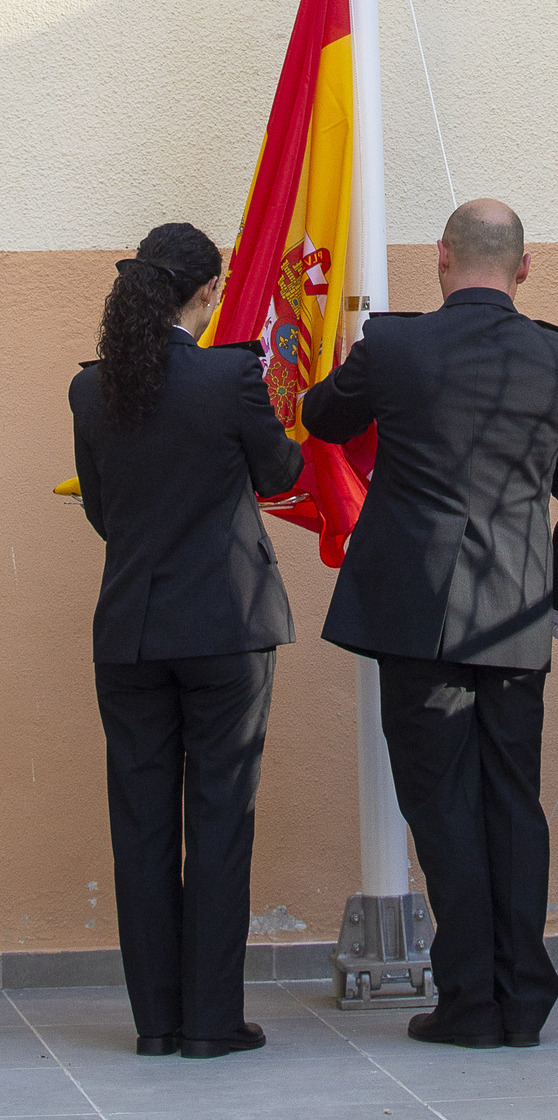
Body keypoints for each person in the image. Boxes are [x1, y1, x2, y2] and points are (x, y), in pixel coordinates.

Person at [303, 198, 558, 1050]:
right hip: (517, 617)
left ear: (441, 257)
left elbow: (323, 419)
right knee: (514, 805)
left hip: (417, 618)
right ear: (524, 267)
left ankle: (470, 1000)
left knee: (441, 809)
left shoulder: (395, 346)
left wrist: (342, 350)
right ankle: (524, 998)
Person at [69, 223, 302, 1059]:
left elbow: (101, 510)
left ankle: (157, 1024)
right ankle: (211, 1022)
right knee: (219, 820)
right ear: (206, 294)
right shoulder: (230, 374)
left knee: (139, 828)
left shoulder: (91, 390)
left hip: (129, 632)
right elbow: (281, 476)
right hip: (225, 628)